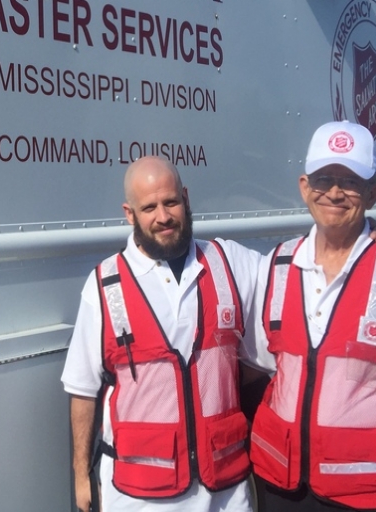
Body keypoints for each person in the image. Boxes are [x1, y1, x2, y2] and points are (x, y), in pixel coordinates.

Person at [61, 155, 265, 512]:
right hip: (137, 497)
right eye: (149, 207)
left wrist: (367, 239)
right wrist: (80, 475)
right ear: (129, 213)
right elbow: (83, 390)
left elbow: (300, 274)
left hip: (224, 492)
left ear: (185, 198)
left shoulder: (228, 262)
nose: (163, 217)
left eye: (170, 202)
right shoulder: (105, 286)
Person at [249, 121, 376, 511]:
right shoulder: (277, 263)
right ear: (304, 187)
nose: (334, 192)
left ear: (373, 193)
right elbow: (267, 363)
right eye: (324, 178)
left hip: (365, 493)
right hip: (281, 487)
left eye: (350, 182)